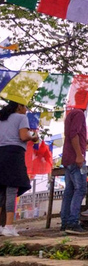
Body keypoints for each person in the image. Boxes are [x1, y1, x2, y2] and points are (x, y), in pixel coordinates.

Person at [0, 101, 39, 236]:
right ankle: (9, 226)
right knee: (12, 190)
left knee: (1, 191)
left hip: (0, 153)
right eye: (25, 107)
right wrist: (33, 137)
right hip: (13, 155)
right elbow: (23, 136)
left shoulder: (1, 117)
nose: (26, 110)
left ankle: (1, 225)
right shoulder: (21, 118)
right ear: (19, 106)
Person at [60, 99, 88, 235]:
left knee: (69, 191)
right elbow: (73, 134)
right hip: (75, 158)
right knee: (81, 189)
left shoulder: (71, 114)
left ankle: (65, 222)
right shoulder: (79, 114)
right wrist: (79, 155)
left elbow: (75, 135)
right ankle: (72, 222)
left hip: (68, 158)